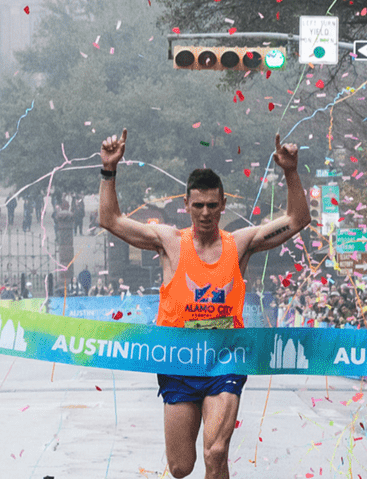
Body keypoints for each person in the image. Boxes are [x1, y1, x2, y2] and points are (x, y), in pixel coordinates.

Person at [99, 127, 309, 479]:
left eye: (213, 205)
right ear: (186, 206)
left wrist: (290, 171)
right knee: (181, 467)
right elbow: (110, 220)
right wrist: (109, 169)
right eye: (198, 205)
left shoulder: (240, 243)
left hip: (224, 359)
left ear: (223, 205)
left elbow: (296, 220)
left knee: (216, 451)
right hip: (178, 360)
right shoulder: (169, 241)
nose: (206, 213)